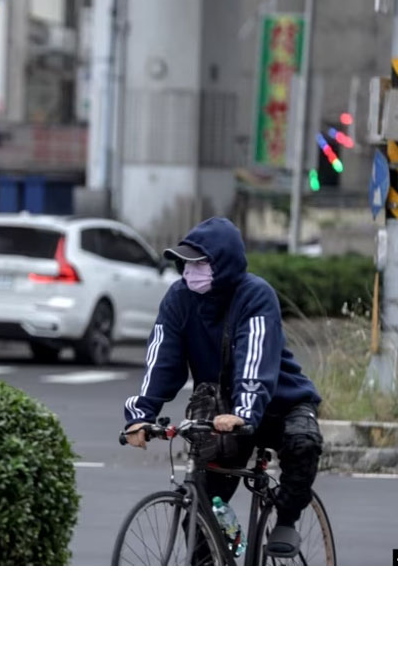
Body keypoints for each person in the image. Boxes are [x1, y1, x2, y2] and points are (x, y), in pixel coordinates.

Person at [122, 217, 322, 558]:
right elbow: (162, 357)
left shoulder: (255, 295)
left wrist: (244, 412)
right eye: (186, 263)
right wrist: (141, 415)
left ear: (224, 263)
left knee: (302, 443)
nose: (190, 270)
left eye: (200, 263)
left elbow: (253, 360)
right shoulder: (179, 299)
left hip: (279, 403)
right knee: (199, 510)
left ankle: (287, 519)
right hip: (221, 412)